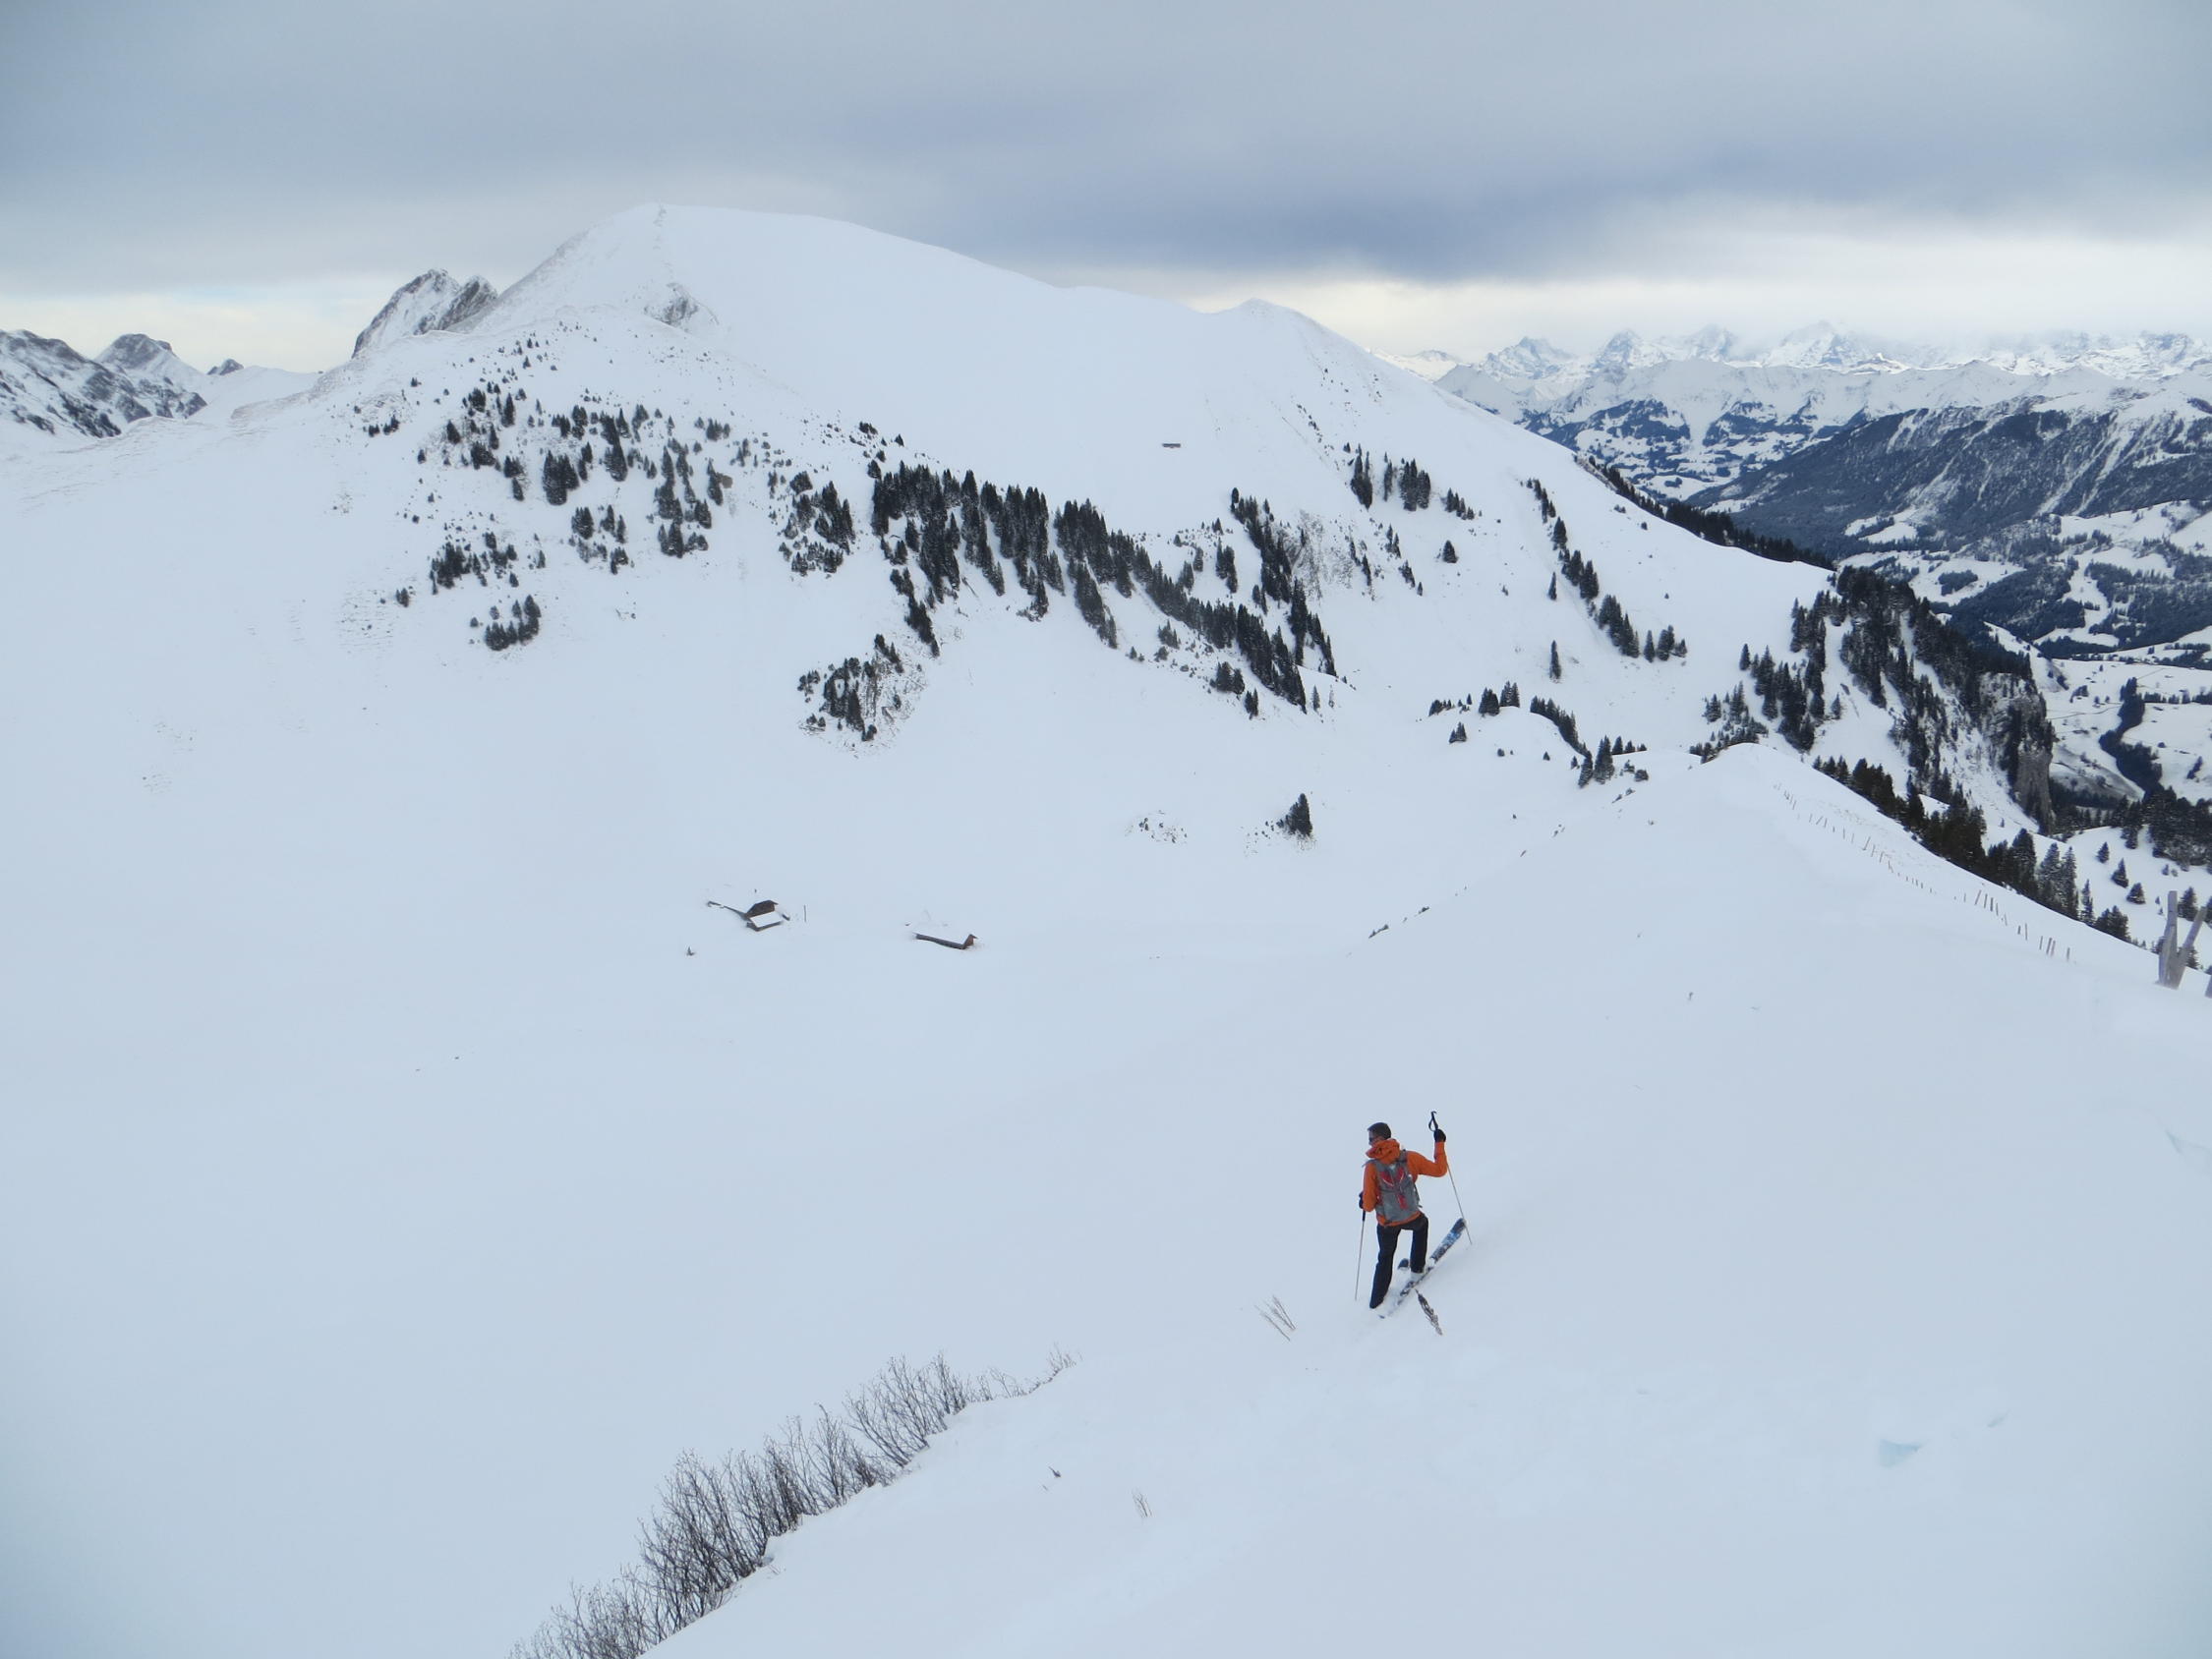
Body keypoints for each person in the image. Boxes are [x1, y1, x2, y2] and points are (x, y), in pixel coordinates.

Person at [1361, 1119, 1447, 1308]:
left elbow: (1368, 1205)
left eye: (1371, 1139)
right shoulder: (1409, 1158)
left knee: (1385, 1256)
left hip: (1387, 1223)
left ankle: (1376, 1300)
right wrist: (1439, 1143)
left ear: (1380, 1139)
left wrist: (1364, 1199)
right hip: (1411, 1216)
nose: (1369, 1143)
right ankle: (1417, 1269)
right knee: (1422, 1226)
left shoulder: (1372, 1167)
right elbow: (1440, 1171)